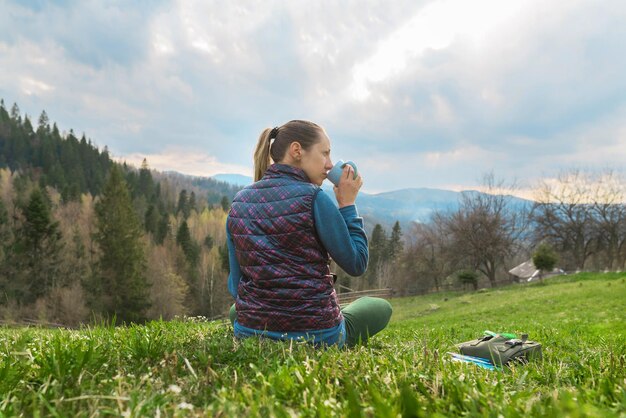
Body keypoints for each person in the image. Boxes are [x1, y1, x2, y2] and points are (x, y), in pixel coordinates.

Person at [226, 120, 392, 348]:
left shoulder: (238, 202)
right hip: (317, 334)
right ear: (296, 151)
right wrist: (347, 205)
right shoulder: (314, 198)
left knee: (236, 311)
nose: (329, 165)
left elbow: (235, 287)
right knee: (380, 307)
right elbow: (357, 262)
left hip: (252, 330)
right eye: (324, 154)